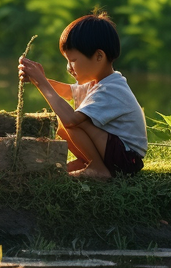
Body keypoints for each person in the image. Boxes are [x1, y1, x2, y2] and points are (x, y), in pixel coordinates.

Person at [18, 12, 147, 179]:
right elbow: (67, 92)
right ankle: (88, 162)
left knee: (72, 122)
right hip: (117, 154)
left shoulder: (110, 89)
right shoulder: (98, 82)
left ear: (99, 56)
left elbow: (71, 119)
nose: (69, 67)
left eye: (73, 60)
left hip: (127, 159)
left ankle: (99, 169)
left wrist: (42, 82)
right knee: (65, 123)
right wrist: (37, 79)